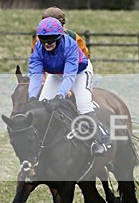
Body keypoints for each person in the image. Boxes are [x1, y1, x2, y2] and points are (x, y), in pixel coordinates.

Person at [28, 17, 107, 155]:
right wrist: (32, 97)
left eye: (51, 38)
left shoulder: (69, 45)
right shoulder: (38, 48)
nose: (47, 43)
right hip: (56, 74)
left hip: (79, 73)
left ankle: (98, 140)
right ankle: (42, 141)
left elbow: (69, 75)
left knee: (83, 104)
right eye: (43, 39)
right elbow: (35, 74)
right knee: (41, 105)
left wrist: (60, 95)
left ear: (59, 37)